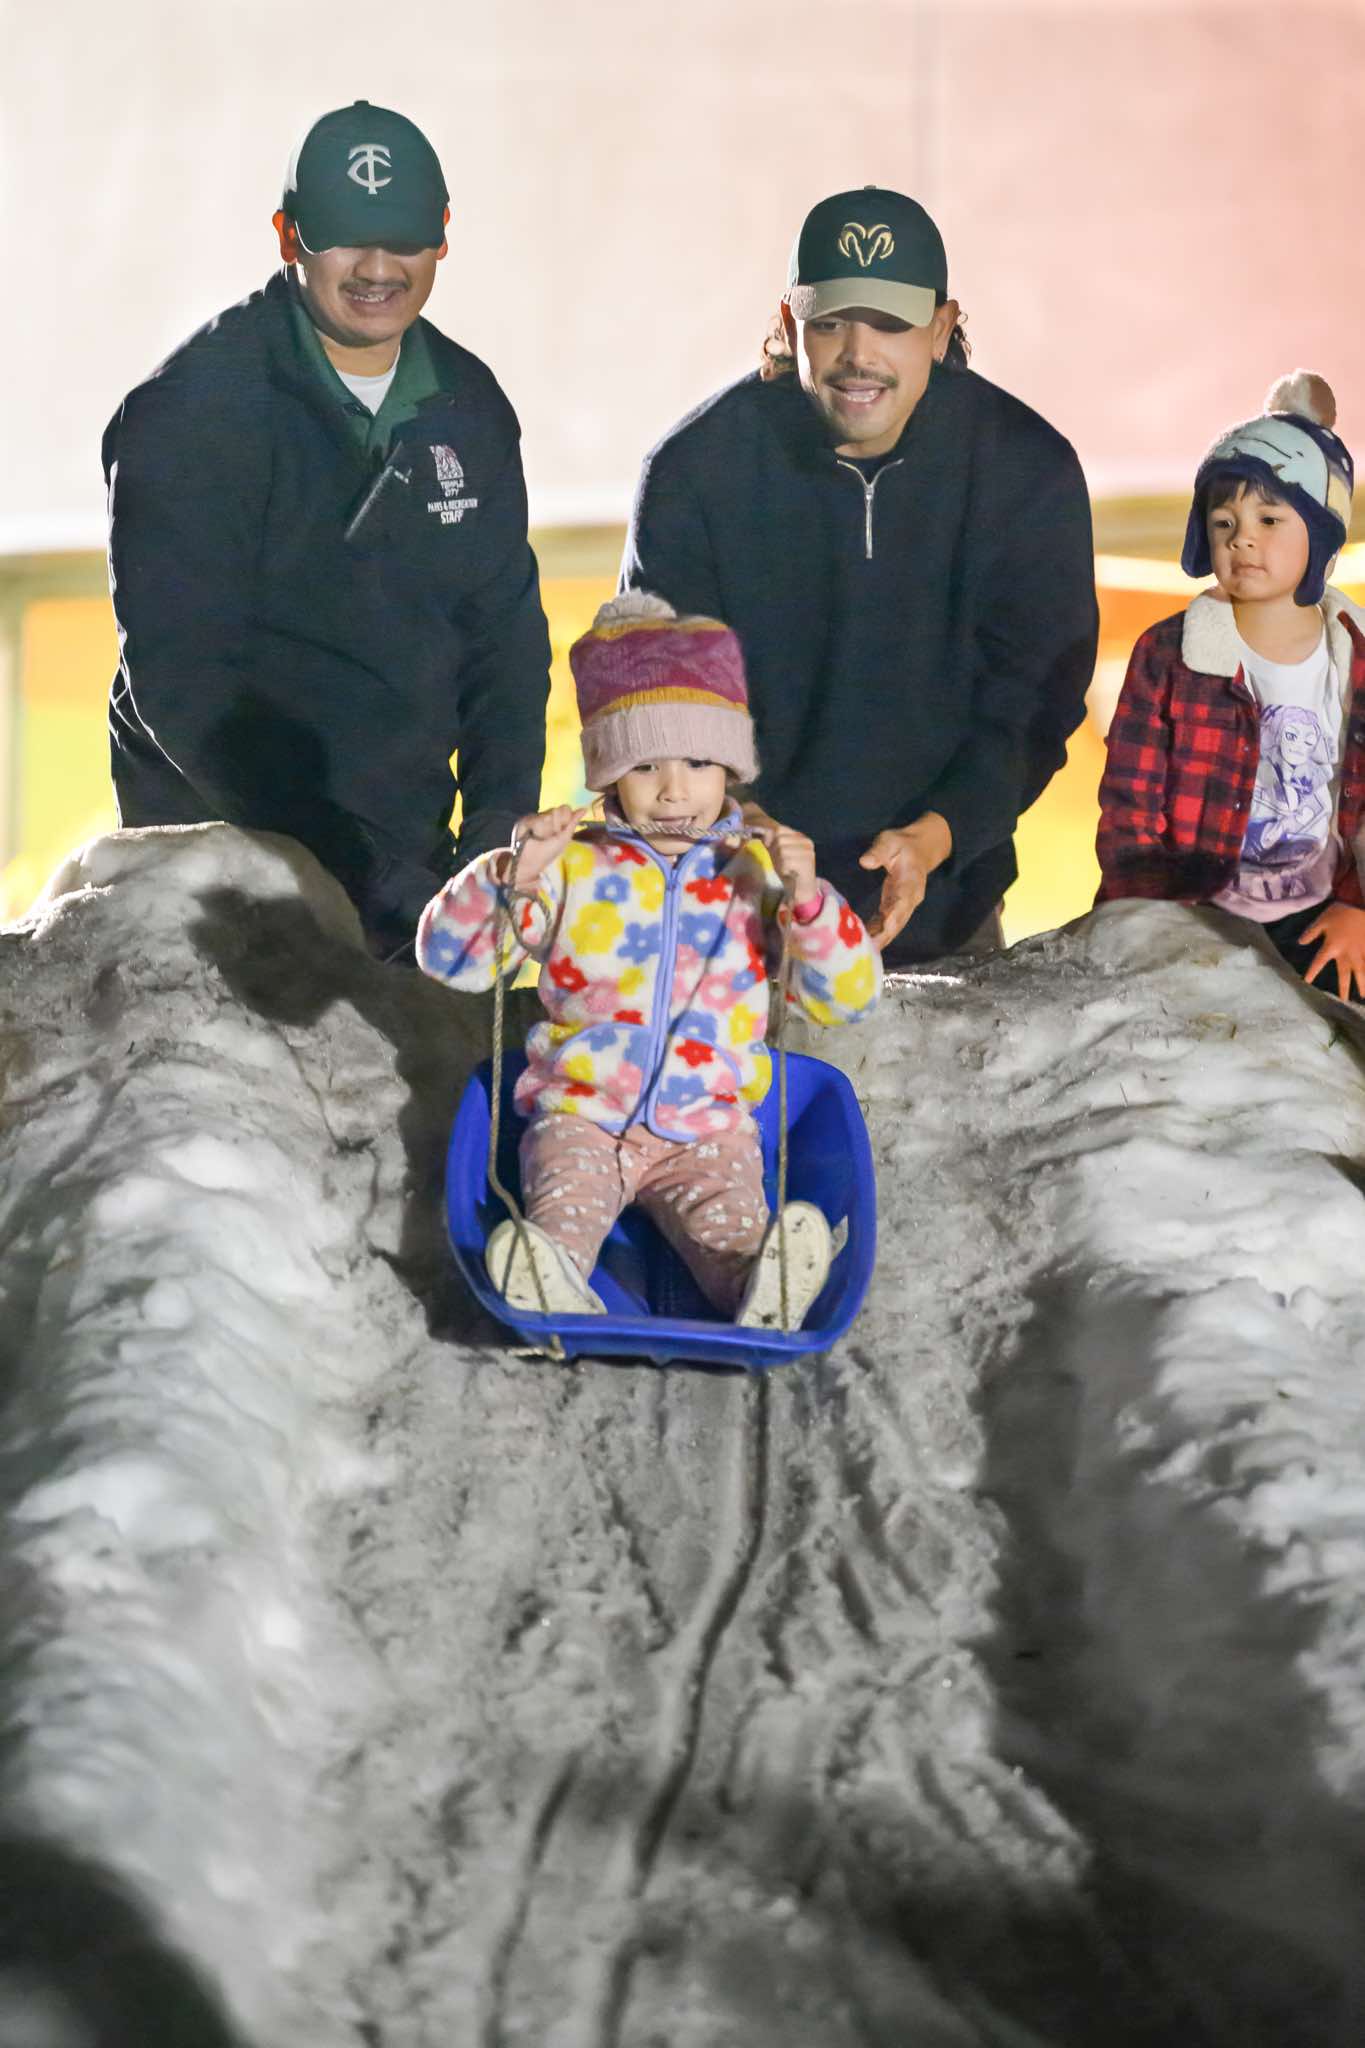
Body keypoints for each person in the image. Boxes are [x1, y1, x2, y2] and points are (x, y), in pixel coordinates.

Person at [103, 100, 550, 959]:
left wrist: (493, 844)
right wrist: (362, 877)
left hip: (409, 873)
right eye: (344, 239)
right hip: (217, 880)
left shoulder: (468, 405)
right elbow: (186, 684)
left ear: (443, 234)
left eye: (404, 239)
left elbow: (504, 645)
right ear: (287, 236)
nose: (378, 269)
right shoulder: (192, 411)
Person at [621, 186, 1098, 966]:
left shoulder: (1025, 468)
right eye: (830, 322)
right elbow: (662, 698)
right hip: (731, 901)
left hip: (946, 906)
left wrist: (935, 838)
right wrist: (744, 833)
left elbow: (1031, 701)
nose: (857, 353)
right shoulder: (695, 470)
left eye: (889, 323)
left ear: (940, 328)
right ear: (788, 325)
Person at [417, 592, 880, 1329]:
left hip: (707, 1126)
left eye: (699, 762)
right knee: (566, 1206)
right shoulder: (570, 868)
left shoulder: (755, 876)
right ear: (607, 776)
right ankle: (549, 1276)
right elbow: (454, 962)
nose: (674, 790)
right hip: (582, 1116)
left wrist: (809, 901)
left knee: (728, 1226)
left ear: (730, 768)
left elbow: (847, 997)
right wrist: (512, 875)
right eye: (644, 766)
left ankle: (762, 1288)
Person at [1097, 372, 1365, 1000]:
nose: (1242, 537)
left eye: (1269, 518)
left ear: (1322, 533)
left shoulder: (1356, 658)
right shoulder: (1168, 655)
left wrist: (1358, 908)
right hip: (1192, 909)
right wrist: (1147, 916)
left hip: (1324, 912)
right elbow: (1131, 804)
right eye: (1224, 523)